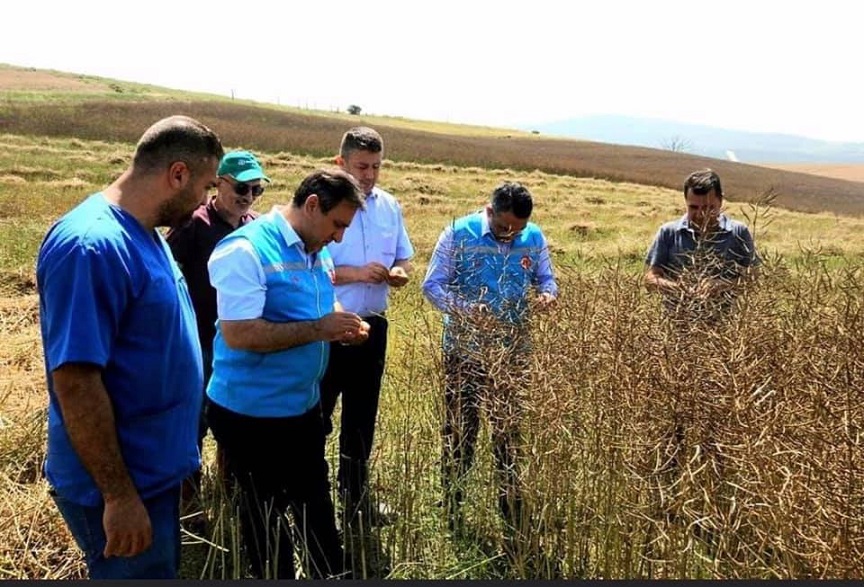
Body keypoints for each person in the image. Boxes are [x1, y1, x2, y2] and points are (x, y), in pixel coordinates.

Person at [36, 115, 223, 579]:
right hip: (122, 484)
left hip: (151, 473)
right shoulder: (91, 246)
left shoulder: (146, 233)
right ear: (177, 174)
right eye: (206, 186)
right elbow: (76, 382)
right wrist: (118, 496)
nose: (206, 201)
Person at [205, 168, 367, 579]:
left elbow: (322, 304)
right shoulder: (245, 250)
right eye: (337, 225)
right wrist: (319, 330)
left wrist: (342, 325)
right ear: (312, 205)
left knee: (316, 510)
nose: (339, 238)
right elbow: (240, 334)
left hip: (302, 408)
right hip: (250, 415)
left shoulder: (317, 248)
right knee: (265, 521)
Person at [421, 182, 558, 535]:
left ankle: (510, 508)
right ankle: (452, 505)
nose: (510, 235)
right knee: (461, 431)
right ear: (489, 211)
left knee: (508, 433)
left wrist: (547, 295)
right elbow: (432, 286)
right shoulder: (457, 233)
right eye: (503, 227)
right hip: (465, 351)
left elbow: (547, 279)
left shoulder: (534, 237)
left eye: (517, 231)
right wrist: (467, 310)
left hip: (513, 352)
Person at [320, 127, 414, 524]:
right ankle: (309, 498)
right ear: (340, 163)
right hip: (326, 328)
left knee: (361, 419)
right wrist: (357, 273)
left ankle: (356, 499)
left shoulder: (389, 207)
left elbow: (404, 258)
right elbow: (310, 268)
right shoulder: (321, 205)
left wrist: (399, 273)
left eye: (376, 166)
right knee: (317, 416)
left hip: (372, 327)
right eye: (362, 166)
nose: (370, 175)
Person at [166, 150, 270, 510]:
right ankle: (189, 503)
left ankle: (228, 492)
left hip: (240, 344)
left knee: (233, 421)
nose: (248, 196)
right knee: (193, 422)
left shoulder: (256, 227)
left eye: (256, 189)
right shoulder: (193, 225)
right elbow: (166, 276)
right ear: (219, 184)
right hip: (199, 343)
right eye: (241, 187)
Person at [644, 168, 758, 322]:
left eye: (708, 208)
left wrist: (723, 285)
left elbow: (754, 280)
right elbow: (650, 279)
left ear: (721, 202)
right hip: (676, 325)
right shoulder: (668, 232)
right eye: (693, 207)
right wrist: (677, 288)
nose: (700, 215)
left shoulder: (738, 232)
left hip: (725, 327)